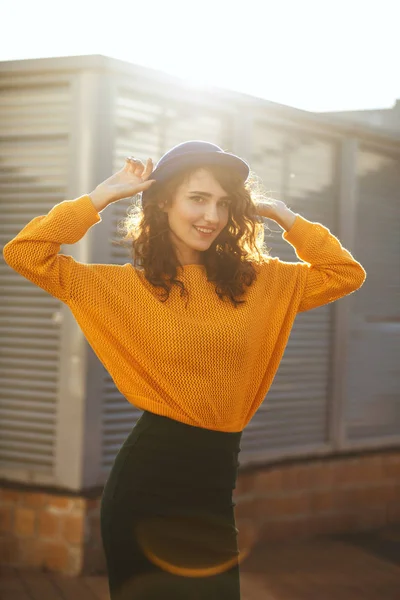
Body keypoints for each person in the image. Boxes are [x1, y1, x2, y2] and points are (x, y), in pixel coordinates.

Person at [2, 140, 366, 599]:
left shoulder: (263, 282)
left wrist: (281, 213)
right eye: (197, 198)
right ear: (162, 202)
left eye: (223, 203)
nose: (211, 216)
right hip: (148, 485)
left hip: (214, 489)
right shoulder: (123, 288)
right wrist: (103, 195)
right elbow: (26, 251)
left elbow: (344, 273)